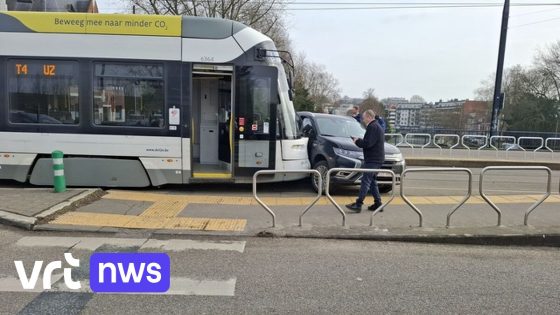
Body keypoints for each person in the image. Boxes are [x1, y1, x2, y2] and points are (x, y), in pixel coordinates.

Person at [346, 110, 385, 213]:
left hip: (373, 159)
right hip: (377, 158)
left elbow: (368, 144)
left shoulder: (372, 127)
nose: (363, 120)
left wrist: (357, 141)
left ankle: (358, 204)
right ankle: (378, 203)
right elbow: (370, 142)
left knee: (365, 180)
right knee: (372, 182)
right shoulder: (377, 126)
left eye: (364, 118)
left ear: (368, 117)